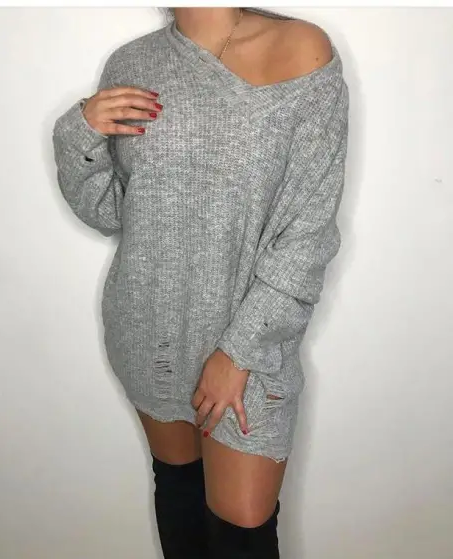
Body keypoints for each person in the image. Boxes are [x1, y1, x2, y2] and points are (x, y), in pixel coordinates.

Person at [52, 7, 349, 558]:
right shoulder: (133, 63)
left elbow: (307, 230)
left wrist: (238, 352)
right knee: (180, 496)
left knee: (243, 528)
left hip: (249, 343)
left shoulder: (301, 48)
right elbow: (113, 212)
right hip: (150, 329)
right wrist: (79, 133)